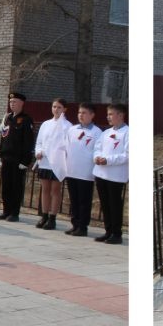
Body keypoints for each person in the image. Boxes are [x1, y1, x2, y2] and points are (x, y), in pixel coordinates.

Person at [0, 90, 34, 222]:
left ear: (22, 103)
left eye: (15, 102)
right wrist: (1, 150)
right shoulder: (8, 118)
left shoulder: (26, 119)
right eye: (10, 102)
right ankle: (6, 211)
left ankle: (14, 212)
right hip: (6, 157)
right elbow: (4, 136)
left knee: (16, 186)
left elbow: (28, 142)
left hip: (18, 159)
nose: (12, 104)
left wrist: (25, 161)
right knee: (6, 186)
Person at [62, 101, 100, 236]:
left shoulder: (96, 132)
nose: (81, 115)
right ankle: (75, 223)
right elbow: (66, 147)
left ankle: (83, 226)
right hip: (72, 170)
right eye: (79, 112)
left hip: (86, 173)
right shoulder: (72, 130)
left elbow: (97, 151)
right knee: (74, 199)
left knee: (84, 201)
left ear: (92, 115)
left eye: (84, 113)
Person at [33, 96, 70, 232]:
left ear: (64, 109)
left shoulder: (67, 126)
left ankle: (53, 217)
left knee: (55, 190)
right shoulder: (46, 124)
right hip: (44, 162)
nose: (56, 109)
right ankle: (44, 215)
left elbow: (66, 146)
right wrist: (39, 151)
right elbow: (39, 142)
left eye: (59, 107)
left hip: (57, 162)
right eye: (54, 107)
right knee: (45, 190)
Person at [92, 104, 127, 244]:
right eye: (108, 114)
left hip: (116, 175)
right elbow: (97, 148)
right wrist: (97, 158)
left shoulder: (128, 132)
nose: (108, 117)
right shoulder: (105, 132)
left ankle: (116, 234)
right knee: (105, 204)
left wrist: (108, 160)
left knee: (115, 205)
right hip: (101, 173)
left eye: (111, 114)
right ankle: (108, 231)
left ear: (120, 115)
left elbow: (127, 155)